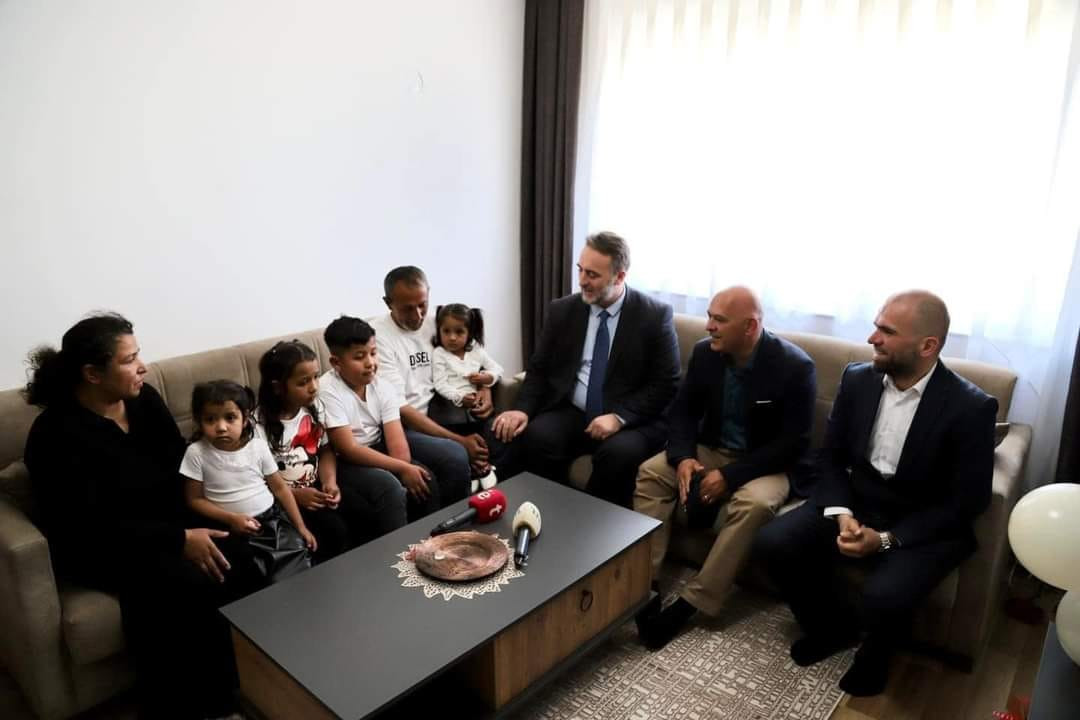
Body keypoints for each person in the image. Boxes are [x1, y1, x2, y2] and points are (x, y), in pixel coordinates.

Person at [753, 290, 997, 696]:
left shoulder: (971, 407)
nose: (872, 338)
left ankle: (876, 657)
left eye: (887, 331)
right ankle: (831, 629)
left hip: (924, 520)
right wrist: (842, 513)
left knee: (884, 595)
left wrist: (885, 540)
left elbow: (967, 502)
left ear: (928, 346)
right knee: (772, 544)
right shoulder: (857, 379)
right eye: (875, 326)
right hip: (859, 501)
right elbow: (831, 458)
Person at [23, 313, 257, 719]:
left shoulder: (144, 400)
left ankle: (245, 681)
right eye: (130, 360)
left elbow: (180, 465)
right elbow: (86, 525)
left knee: (242, 551)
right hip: (103, 545)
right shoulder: (54, 434)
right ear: (93, 374)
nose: (142, 367)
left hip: (169, 522)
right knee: (184, 584)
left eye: (138, 355)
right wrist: (179, 540)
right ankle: (199, 705)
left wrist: (209, 515)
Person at [633, 286, 816, 649]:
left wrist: (730, 477)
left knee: (755, 504)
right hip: (712, 448)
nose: (708, 326)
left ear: (750, 327)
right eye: (709, 317)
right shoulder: (705, 353)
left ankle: (693, 602)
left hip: (768, 463)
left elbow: (791, 443)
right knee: (651, 473)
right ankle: (645, 585)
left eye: (719, 320)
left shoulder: (795, 367)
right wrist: (684, 457)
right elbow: (683, 412)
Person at [490, 231, 680, 506]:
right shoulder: (562, 310)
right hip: (575, 411)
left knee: (618, 455)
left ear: (619, 277)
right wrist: (522, 409)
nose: (581, 281)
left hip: (629, 419)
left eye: (592, 275)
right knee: (538, 436)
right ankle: (549, 511)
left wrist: (619, 418)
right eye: (580, 270)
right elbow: (539, 368)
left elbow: (666, 382)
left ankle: (592, 524)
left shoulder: (653, 315)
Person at [320, 315, 466, 526]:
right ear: (336, 362)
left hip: (376, 446)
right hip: (343, 460)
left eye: (373, 353)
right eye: (359, 357)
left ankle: (438, 537)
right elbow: (348, 449)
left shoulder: (381, 385)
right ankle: (400, 546)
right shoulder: (327, 390)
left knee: (424, 479)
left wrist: (406, 468)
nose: (370, 363)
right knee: (390, 488)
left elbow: (398, 447)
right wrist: (402, 469)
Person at [182, 380, 317, 583]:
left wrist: (301, 526)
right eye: (210, 419)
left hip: (272, 520)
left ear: (245, 419)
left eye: (230, 418)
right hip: (228, 526)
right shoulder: (196, 453)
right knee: (253, 576)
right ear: (199, 421)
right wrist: (231, 519)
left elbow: (280, 489)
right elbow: (194, 499)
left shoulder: (257, 447)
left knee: (299, 566)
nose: (221, 427)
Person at [371, 266, 487, 482]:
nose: (418, 315)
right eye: (408, 309)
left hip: (444, 409)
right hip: (405, 425)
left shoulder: (439, 322)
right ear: (388, 303)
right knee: (455, 455)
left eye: (422, 305)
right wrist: (460, 441)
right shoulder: (377, 337)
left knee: (499, 432)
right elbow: (401, 409)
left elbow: (474, 356)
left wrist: (484, 389)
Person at [255, 340, 351, 562]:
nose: (314, 387)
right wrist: (295, 495)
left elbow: (325, 450)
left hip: (315, 487)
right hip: (282, 498)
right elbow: (256, 478)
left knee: (360, 510)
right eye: (303, 382)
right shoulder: (257, 424)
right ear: (278, 387)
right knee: (332, 531)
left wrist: (330, 482)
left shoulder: (315, 407)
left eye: (316, 377)